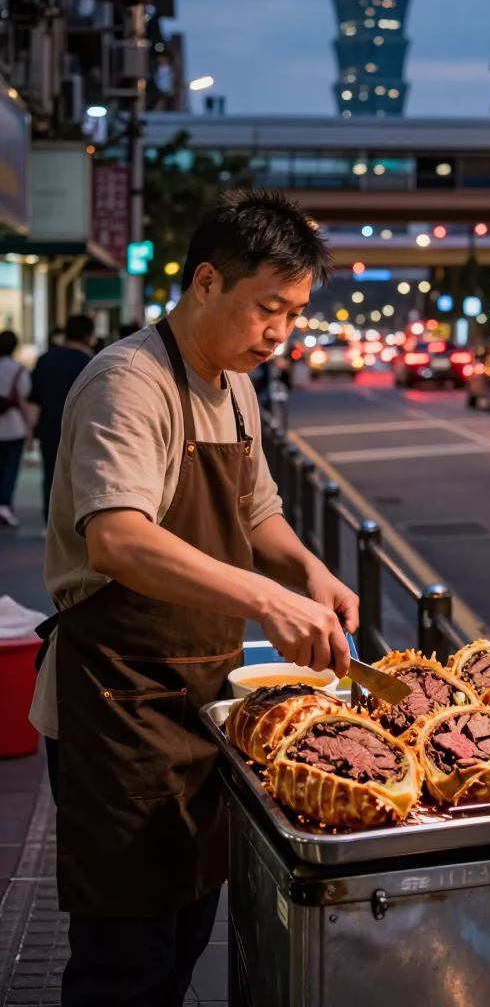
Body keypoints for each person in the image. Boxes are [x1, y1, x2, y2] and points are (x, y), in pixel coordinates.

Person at [30, 188, 358, 1007]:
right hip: (118, 706)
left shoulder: (233, 382)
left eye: (295, 312)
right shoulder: (128, 382)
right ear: (207, 282)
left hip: (204, 701)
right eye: (267, 308)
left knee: (186, 937)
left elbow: (257, 509)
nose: (280, 332)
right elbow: (119, 539)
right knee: (124, 964)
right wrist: (265, 601)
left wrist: (308, 573)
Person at [28, 314, 96, 522]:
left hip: (49, 428)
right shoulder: (92, 363)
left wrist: (30, 432)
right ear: (88, 336)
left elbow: (34, 400)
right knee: (80, 476)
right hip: (82, 430)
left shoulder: (45, 360)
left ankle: (50, 520)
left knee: (50, 474)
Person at [0, 330, 32, 527]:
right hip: (14, 426)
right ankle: (4, 505)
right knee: (10, 469)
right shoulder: (18, 370)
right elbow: (25, 398)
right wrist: (30, 431)